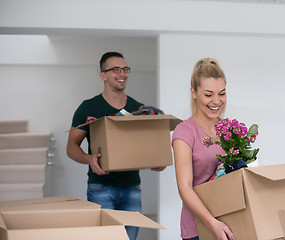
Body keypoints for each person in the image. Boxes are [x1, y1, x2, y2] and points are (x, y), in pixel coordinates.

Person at [66, 51, 165, 240]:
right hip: (101, 188)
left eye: (126, 69)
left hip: (132, 187)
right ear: (103, 75)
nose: (123, 73)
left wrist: (156, 158)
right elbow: (71, 146)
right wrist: (89, 159)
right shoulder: (88, 108)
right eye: (116, 69)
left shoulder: (138, 109)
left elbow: (144, 144)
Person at [172, 58, 236, 240]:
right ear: (194, 92)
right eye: (208, 95)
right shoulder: (184, 131)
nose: (216, 101)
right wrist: (213, 224)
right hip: (198, 229)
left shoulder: (229, 129)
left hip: (231, 224)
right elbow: (185, 188)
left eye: (222, 93)